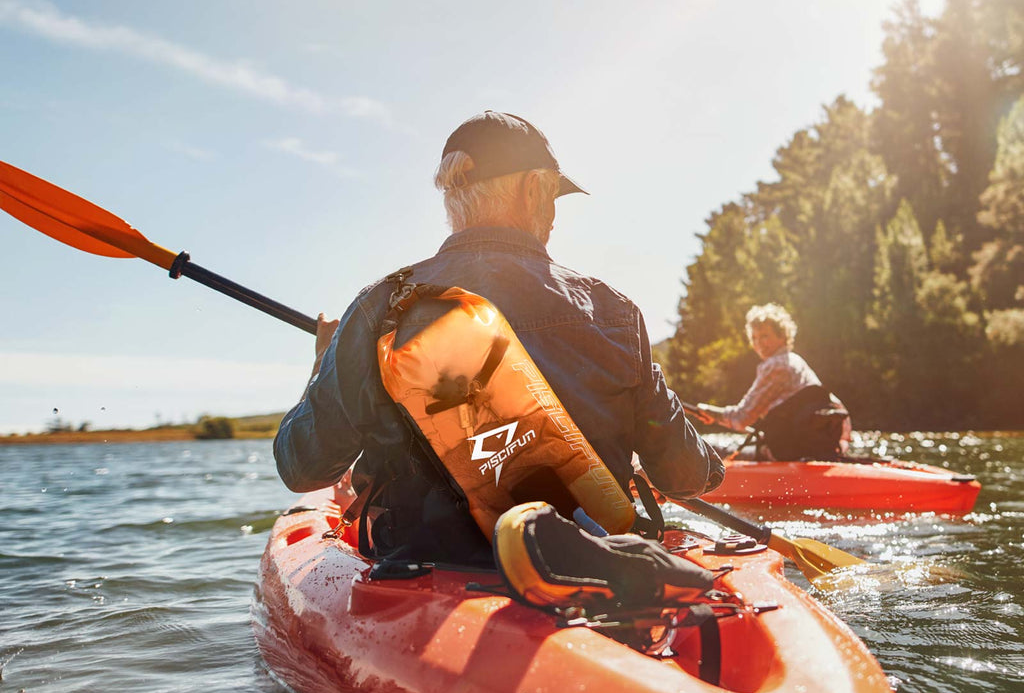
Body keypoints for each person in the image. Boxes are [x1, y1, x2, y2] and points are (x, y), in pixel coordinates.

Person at [274, 110, 724, 564]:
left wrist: (324, 362)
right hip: (593, 570)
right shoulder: (613, 311)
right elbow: (683, 474)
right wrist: (710, 463)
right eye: (553, 196)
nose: (553, 215)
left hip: (431, 571)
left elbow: (302, 466)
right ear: (532, 189)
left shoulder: (380, 308)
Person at [693, 303, 850, 460]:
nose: (758, 343)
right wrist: (842, 442)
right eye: (754, 338)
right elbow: (836, 406)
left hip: (787, 452)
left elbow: (741, 418)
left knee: (707, 448)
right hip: (811, 449)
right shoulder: (796, 361)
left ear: (782, 336)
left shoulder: (775, 365)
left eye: (764, 336)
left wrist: (710, 412)